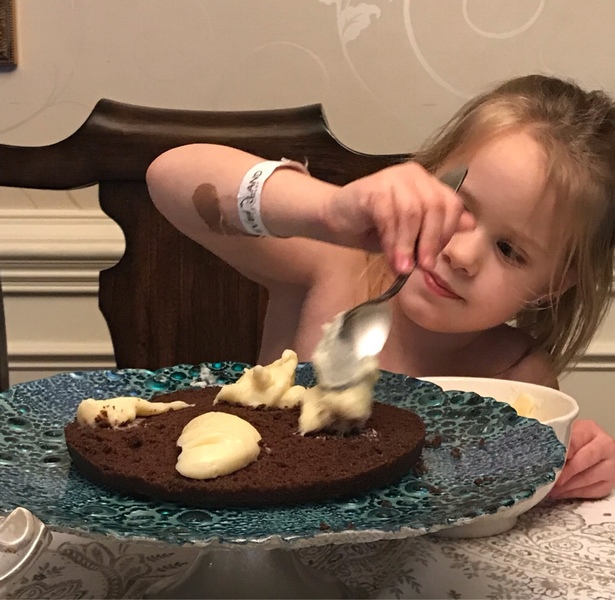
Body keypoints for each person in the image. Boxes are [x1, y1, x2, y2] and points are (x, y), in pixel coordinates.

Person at [146, 74, 615, 501]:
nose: (462, 254)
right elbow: (169, 176)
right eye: (458, 206)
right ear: (426, 176)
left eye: (510, 250)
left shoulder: (519, 376)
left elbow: (496, 496)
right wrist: (325, 210)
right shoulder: (334, 263)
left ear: (553, 285)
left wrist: (572, 468)